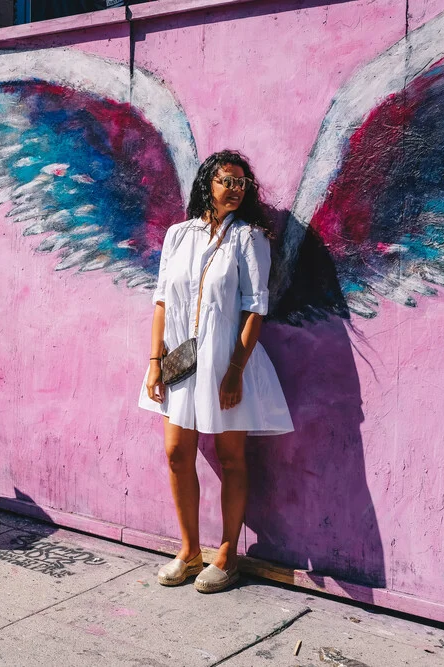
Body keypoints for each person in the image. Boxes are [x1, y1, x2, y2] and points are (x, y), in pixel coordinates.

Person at [139, 150, 294, 594]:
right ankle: (189, 551)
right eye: (228, 179)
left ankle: (226, 554)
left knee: (230, 457)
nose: (236, 188)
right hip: (180, 359)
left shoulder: (249, 238)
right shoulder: (178, 235)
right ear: (208, 181)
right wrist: (154, 363)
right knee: (175, 452)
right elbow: (162, 303)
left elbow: (254, 310)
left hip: (228, 361)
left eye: (243, 183)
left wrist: (235, 371)